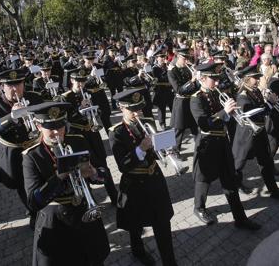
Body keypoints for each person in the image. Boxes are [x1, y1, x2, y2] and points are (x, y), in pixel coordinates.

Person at [22, 101, 110, 266]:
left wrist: (93, 173)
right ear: (38, 126)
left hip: (85, 211)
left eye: (60, 126)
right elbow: (33, 202)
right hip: (56, 222)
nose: (57, 132)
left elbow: (104, 175)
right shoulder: (32, 156)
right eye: (50, 127)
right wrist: (59, 178)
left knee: (94, 258)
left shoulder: (77, 141)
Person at [109, 88, 177, 266]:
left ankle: (169, 261)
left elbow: (157, 146)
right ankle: (138, 251)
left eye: (139, 108)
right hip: (134, 184)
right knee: (135, 224)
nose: (137, 113)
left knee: (162, 222)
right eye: (132, 109)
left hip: (154, 178)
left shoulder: (147, 121)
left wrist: (165, 146)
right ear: (121, 108)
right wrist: (141, 149)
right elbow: (122, 165)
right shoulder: (116, 132)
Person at [190, 62, 261, 230]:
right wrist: (224, 113)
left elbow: (226, 119)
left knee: (229, 180)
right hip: (207, 143)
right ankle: (199, 208)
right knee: (204, 179)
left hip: (223, 141)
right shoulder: (196, 99)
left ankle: (240, 218)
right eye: (212, 78)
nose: (216, 82)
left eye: (216, 78)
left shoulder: (217, 93)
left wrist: (233, 115)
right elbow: (204, 124)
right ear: (202, 78)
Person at [0, 69, 44, 224]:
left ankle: (43, 209)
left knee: (42, 179)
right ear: (2, 87)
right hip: (14, 152)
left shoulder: (34, 97)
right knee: (23, 185)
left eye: (18, 84)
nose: (15, 89)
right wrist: (11, 117)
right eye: (10, 85)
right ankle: (34, 214)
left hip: (35, 146)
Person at [56, 67, 118, 205]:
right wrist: (80, 110)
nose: (81, 84)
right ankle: (91, 201)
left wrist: (94, 109)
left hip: (92, 133)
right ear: (72, 80)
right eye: (78, 81)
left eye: (83, 81)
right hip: (77, 136)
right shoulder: (65, 97)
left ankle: (114, 196)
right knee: (82, 167)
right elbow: (65, 120)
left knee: (103, 163)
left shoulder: (89, 92)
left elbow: (100, 109)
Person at [231, 65, 279, 200]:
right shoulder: (242, 96)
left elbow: (263, 109)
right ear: (246, 79)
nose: (257, 80)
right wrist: (270, 104)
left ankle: (274, 191)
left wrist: (270, 103)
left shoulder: (255, 90)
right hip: (247, 135)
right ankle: (236, 185)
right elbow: (253, 114)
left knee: (266, 162)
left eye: (258, 77)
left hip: (260, 131)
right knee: (238, 164)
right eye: (254, 78)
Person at [168, 48, 199, 156]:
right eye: (184, 58)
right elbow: (179, 90)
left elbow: (195, 88)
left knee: (195, 127)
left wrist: (199, 79)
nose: (186, 61)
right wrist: (192, 81)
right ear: (178, 57)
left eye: (187, 58)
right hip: (180, 103)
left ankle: (200, 148)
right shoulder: (172, 72)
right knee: (178, 129)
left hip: (191, 101)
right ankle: (175, 151)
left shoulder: (188, 69)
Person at [152, 49, 174, 129]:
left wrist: (169, 68)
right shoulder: (155, 68)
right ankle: (162, 123)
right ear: (157, 58)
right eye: (161, 57)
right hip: (160, 91)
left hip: (169, 91)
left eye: (164, 56)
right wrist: (168, 70)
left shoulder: (167, 66)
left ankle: (175, 122)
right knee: (161, 109)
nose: (163, 58)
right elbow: (160, 78)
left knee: (173, 107)